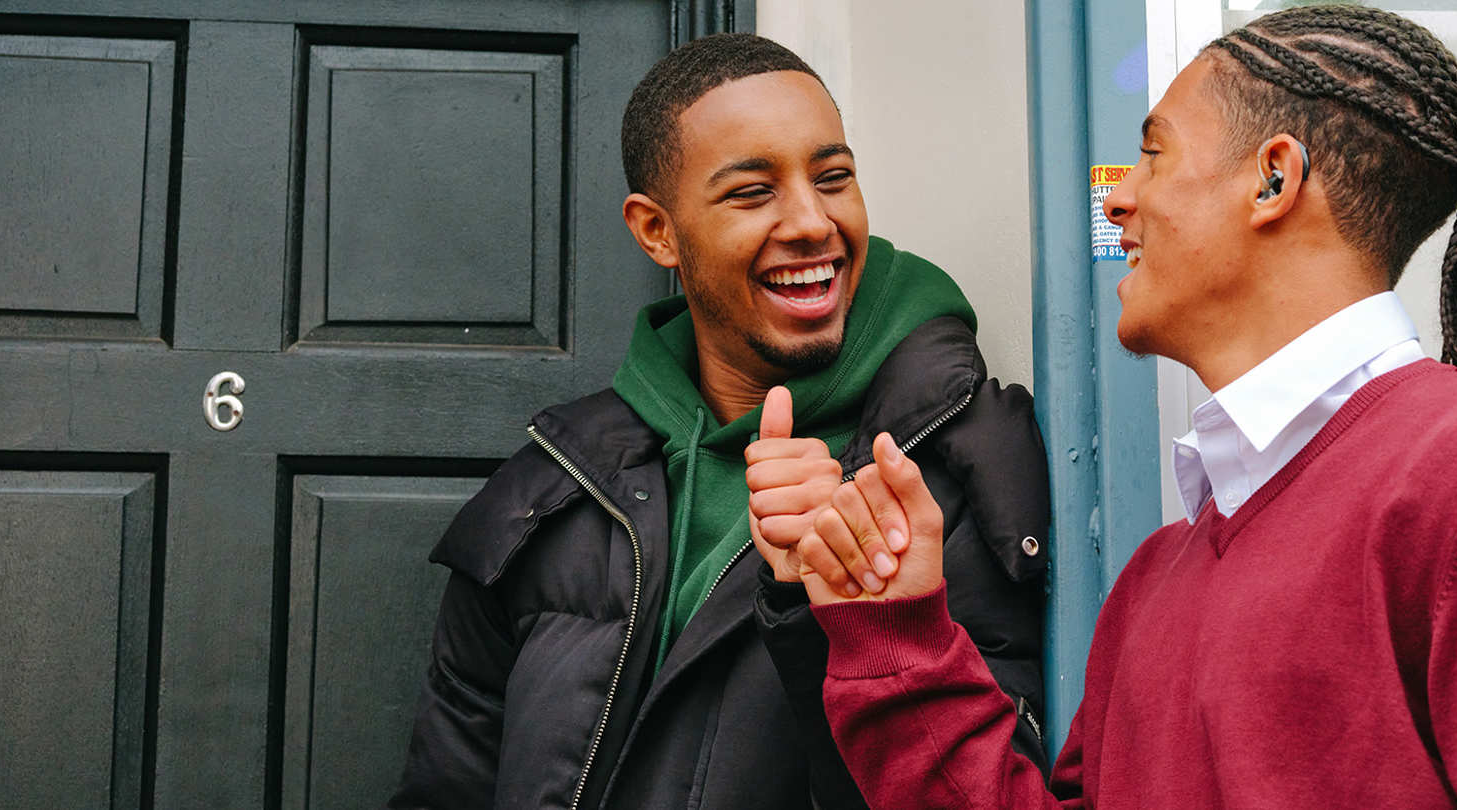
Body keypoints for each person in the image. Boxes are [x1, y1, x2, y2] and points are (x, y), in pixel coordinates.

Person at [764, 6, 1457, 807]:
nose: (1120, 201)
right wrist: (897, 635)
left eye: (1152, 155)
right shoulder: (1157, 577)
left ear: (1274, 178)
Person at [389, 33, 1049, 809]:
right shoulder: (550, 487)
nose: (811, 221)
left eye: (834, 177)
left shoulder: (953, 465)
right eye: (751, 192)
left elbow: (981, 790)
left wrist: (822, 608)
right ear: (656, 231)